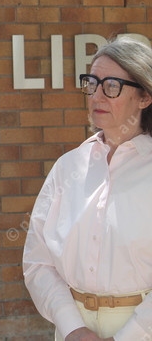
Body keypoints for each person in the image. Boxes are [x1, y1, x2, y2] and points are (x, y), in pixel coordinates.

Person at [23, 36, 152, 341]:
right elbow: (38, 261)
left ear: (145, 97)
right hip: (72, 327)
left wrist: (128, 336)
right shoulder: (68, 167)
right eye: (92, 83)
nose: (97, 96)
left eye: (111, 86)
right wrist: (73, 328)